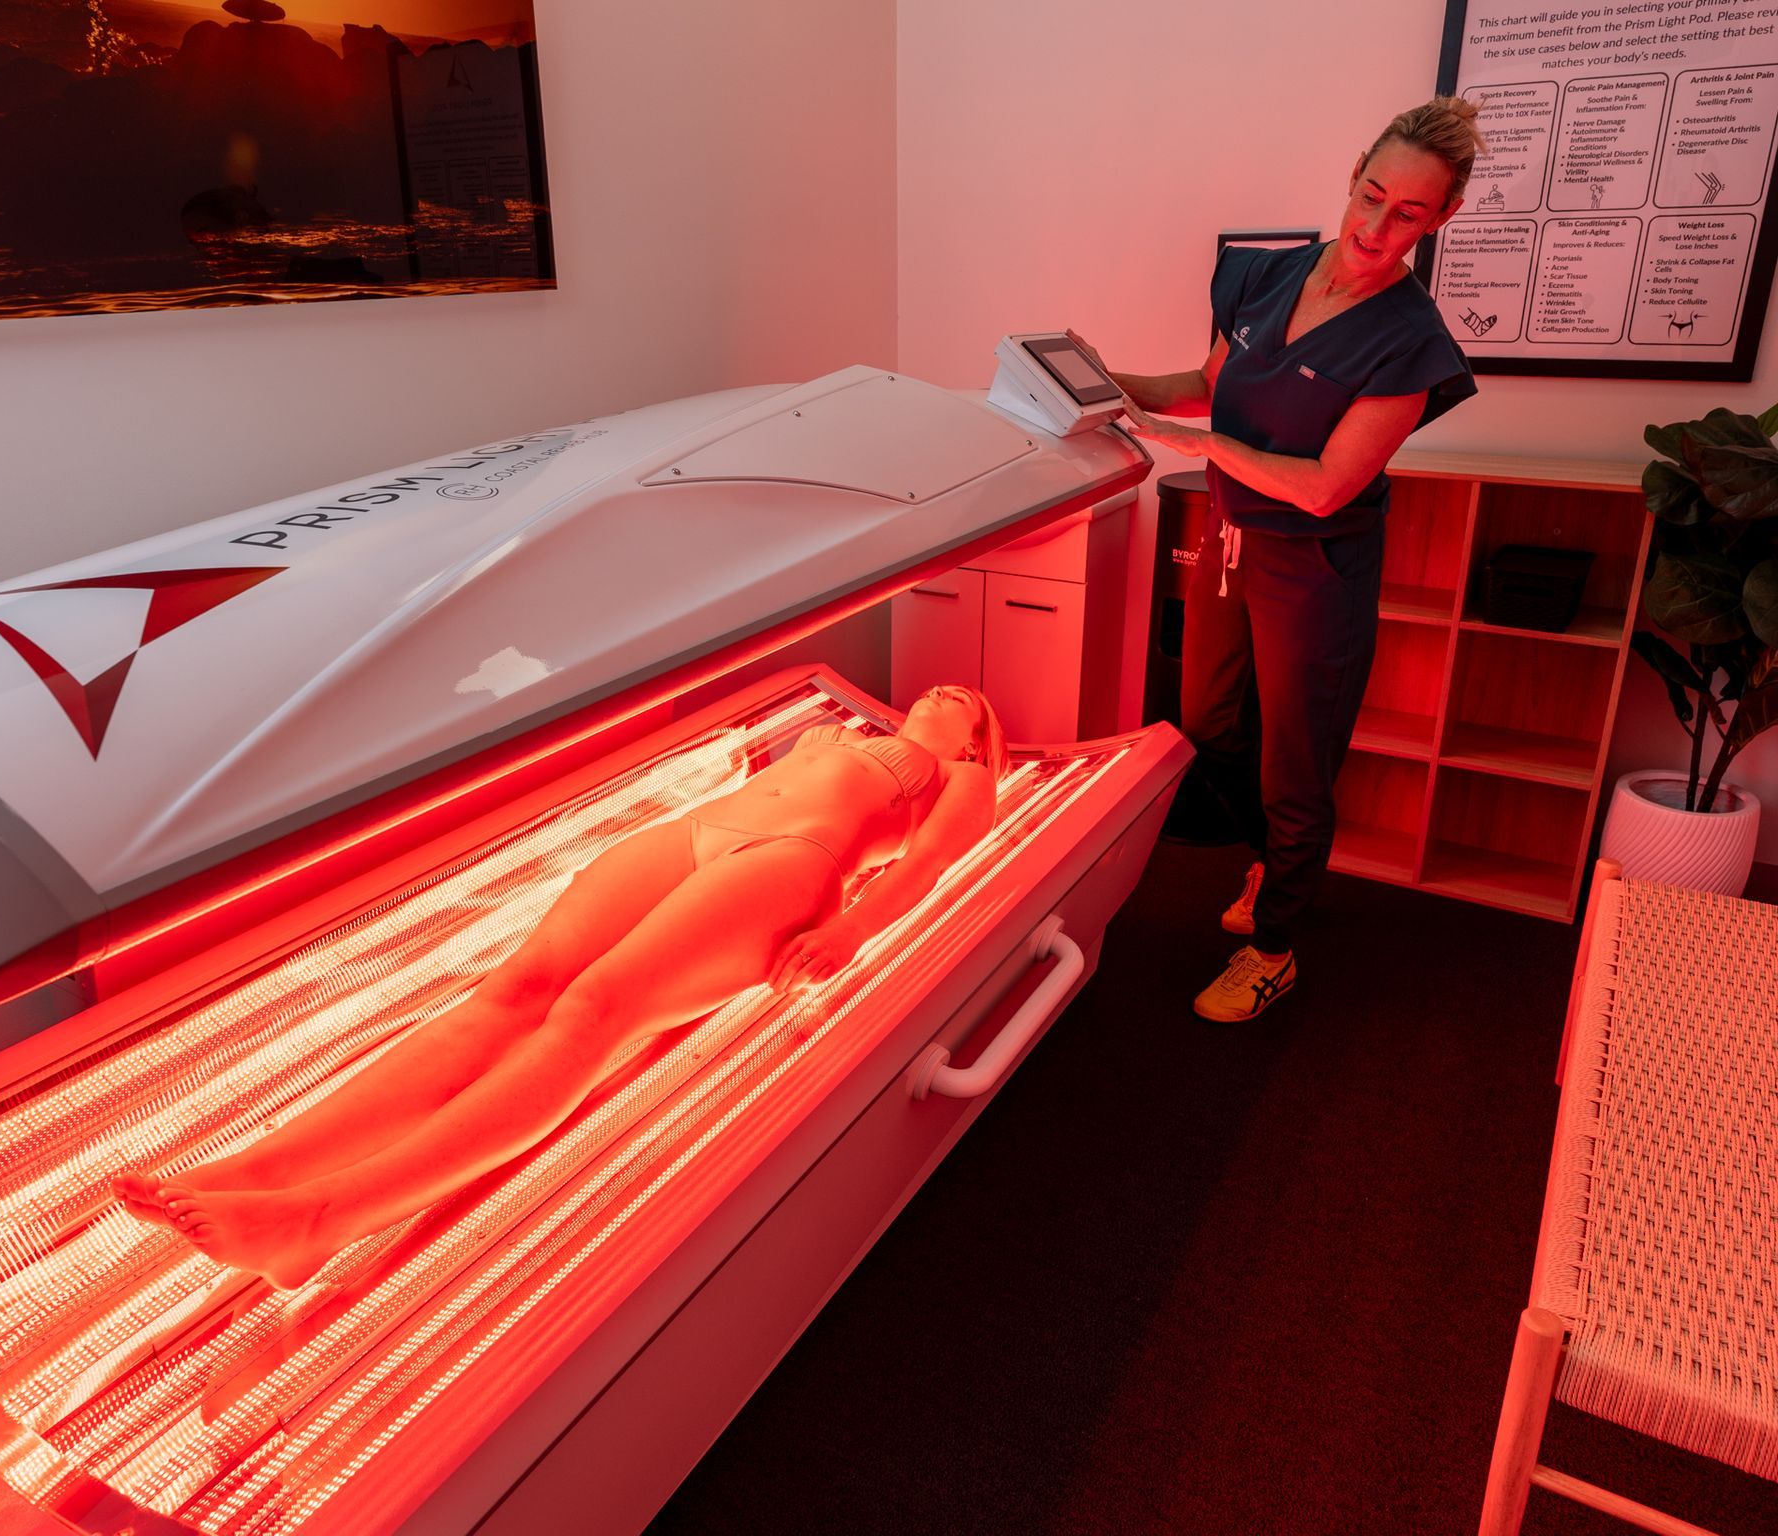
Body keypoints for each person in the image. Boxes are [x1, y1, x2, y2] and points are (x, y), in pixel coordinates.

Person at [115, 684, 1007, 1287]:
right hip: (703, 831)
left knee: (592, 1011)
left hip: (793, 862)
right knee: (518, 987)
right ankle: (260, 1171)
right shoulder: (835, 729)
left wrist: (850, 926)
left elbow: (924, 866)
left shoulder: (962, 777)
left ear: (974, 736)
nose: (942, 692)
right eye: (939, 685)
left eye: (963, 699)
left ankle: (321, 1219)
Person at [1076, 97, 1481, 1022]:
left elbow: (1330, 485)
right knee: (1211, 720)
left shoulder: (1412, 344)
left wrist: (1211, 448)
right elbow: (1207, 386)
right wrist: (1105, 381)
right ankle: (1267, 861)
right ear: (1353, 177)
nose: (1377, 228)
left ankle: (1276, 944)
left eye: (1409, 213)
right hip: (1233, 539)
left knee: (1297, 762)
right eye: (1372, 196)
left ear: (1441, 218)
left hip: (1316, 564)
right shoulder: (1264, 277)